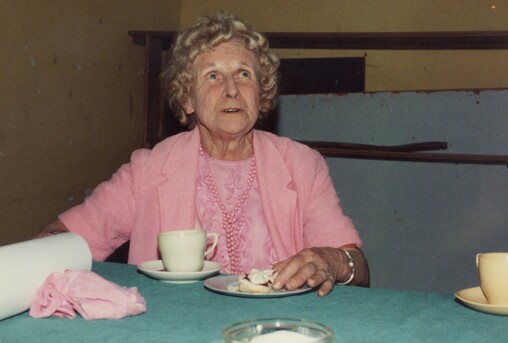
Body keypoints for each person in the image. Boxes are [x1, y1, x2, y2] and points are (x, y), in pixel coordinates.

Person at [37, 11, 369, 296]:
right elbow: (62, 237)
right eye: (213, 76)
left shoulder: (301, 165)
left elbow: (358, 267)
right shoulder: (150, 169)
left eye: (244, 73)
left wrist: (333, 261)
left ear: (262, 94)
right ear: (187, 99)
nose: (231, 90)